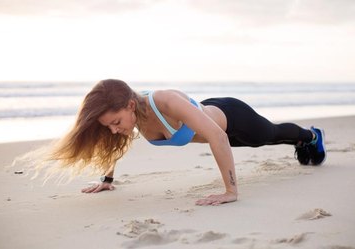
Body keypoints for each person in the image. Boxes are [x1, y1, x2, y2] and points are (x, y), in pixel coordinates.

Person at [48, 79, 326, 206]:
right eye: (109, 125)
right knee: (264, 142)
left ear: (131, 105)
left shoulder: (164, 102)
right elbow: (115, 146)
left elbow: (217, 135)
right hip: (216, 134)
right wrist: (106, 178)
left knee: (271, 135)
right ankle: (304, 142)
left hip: (231, 118)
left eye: (116, 122)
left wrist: (230, 190)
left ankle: (311, 136)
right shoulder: (129, 119)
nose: (114, 129)